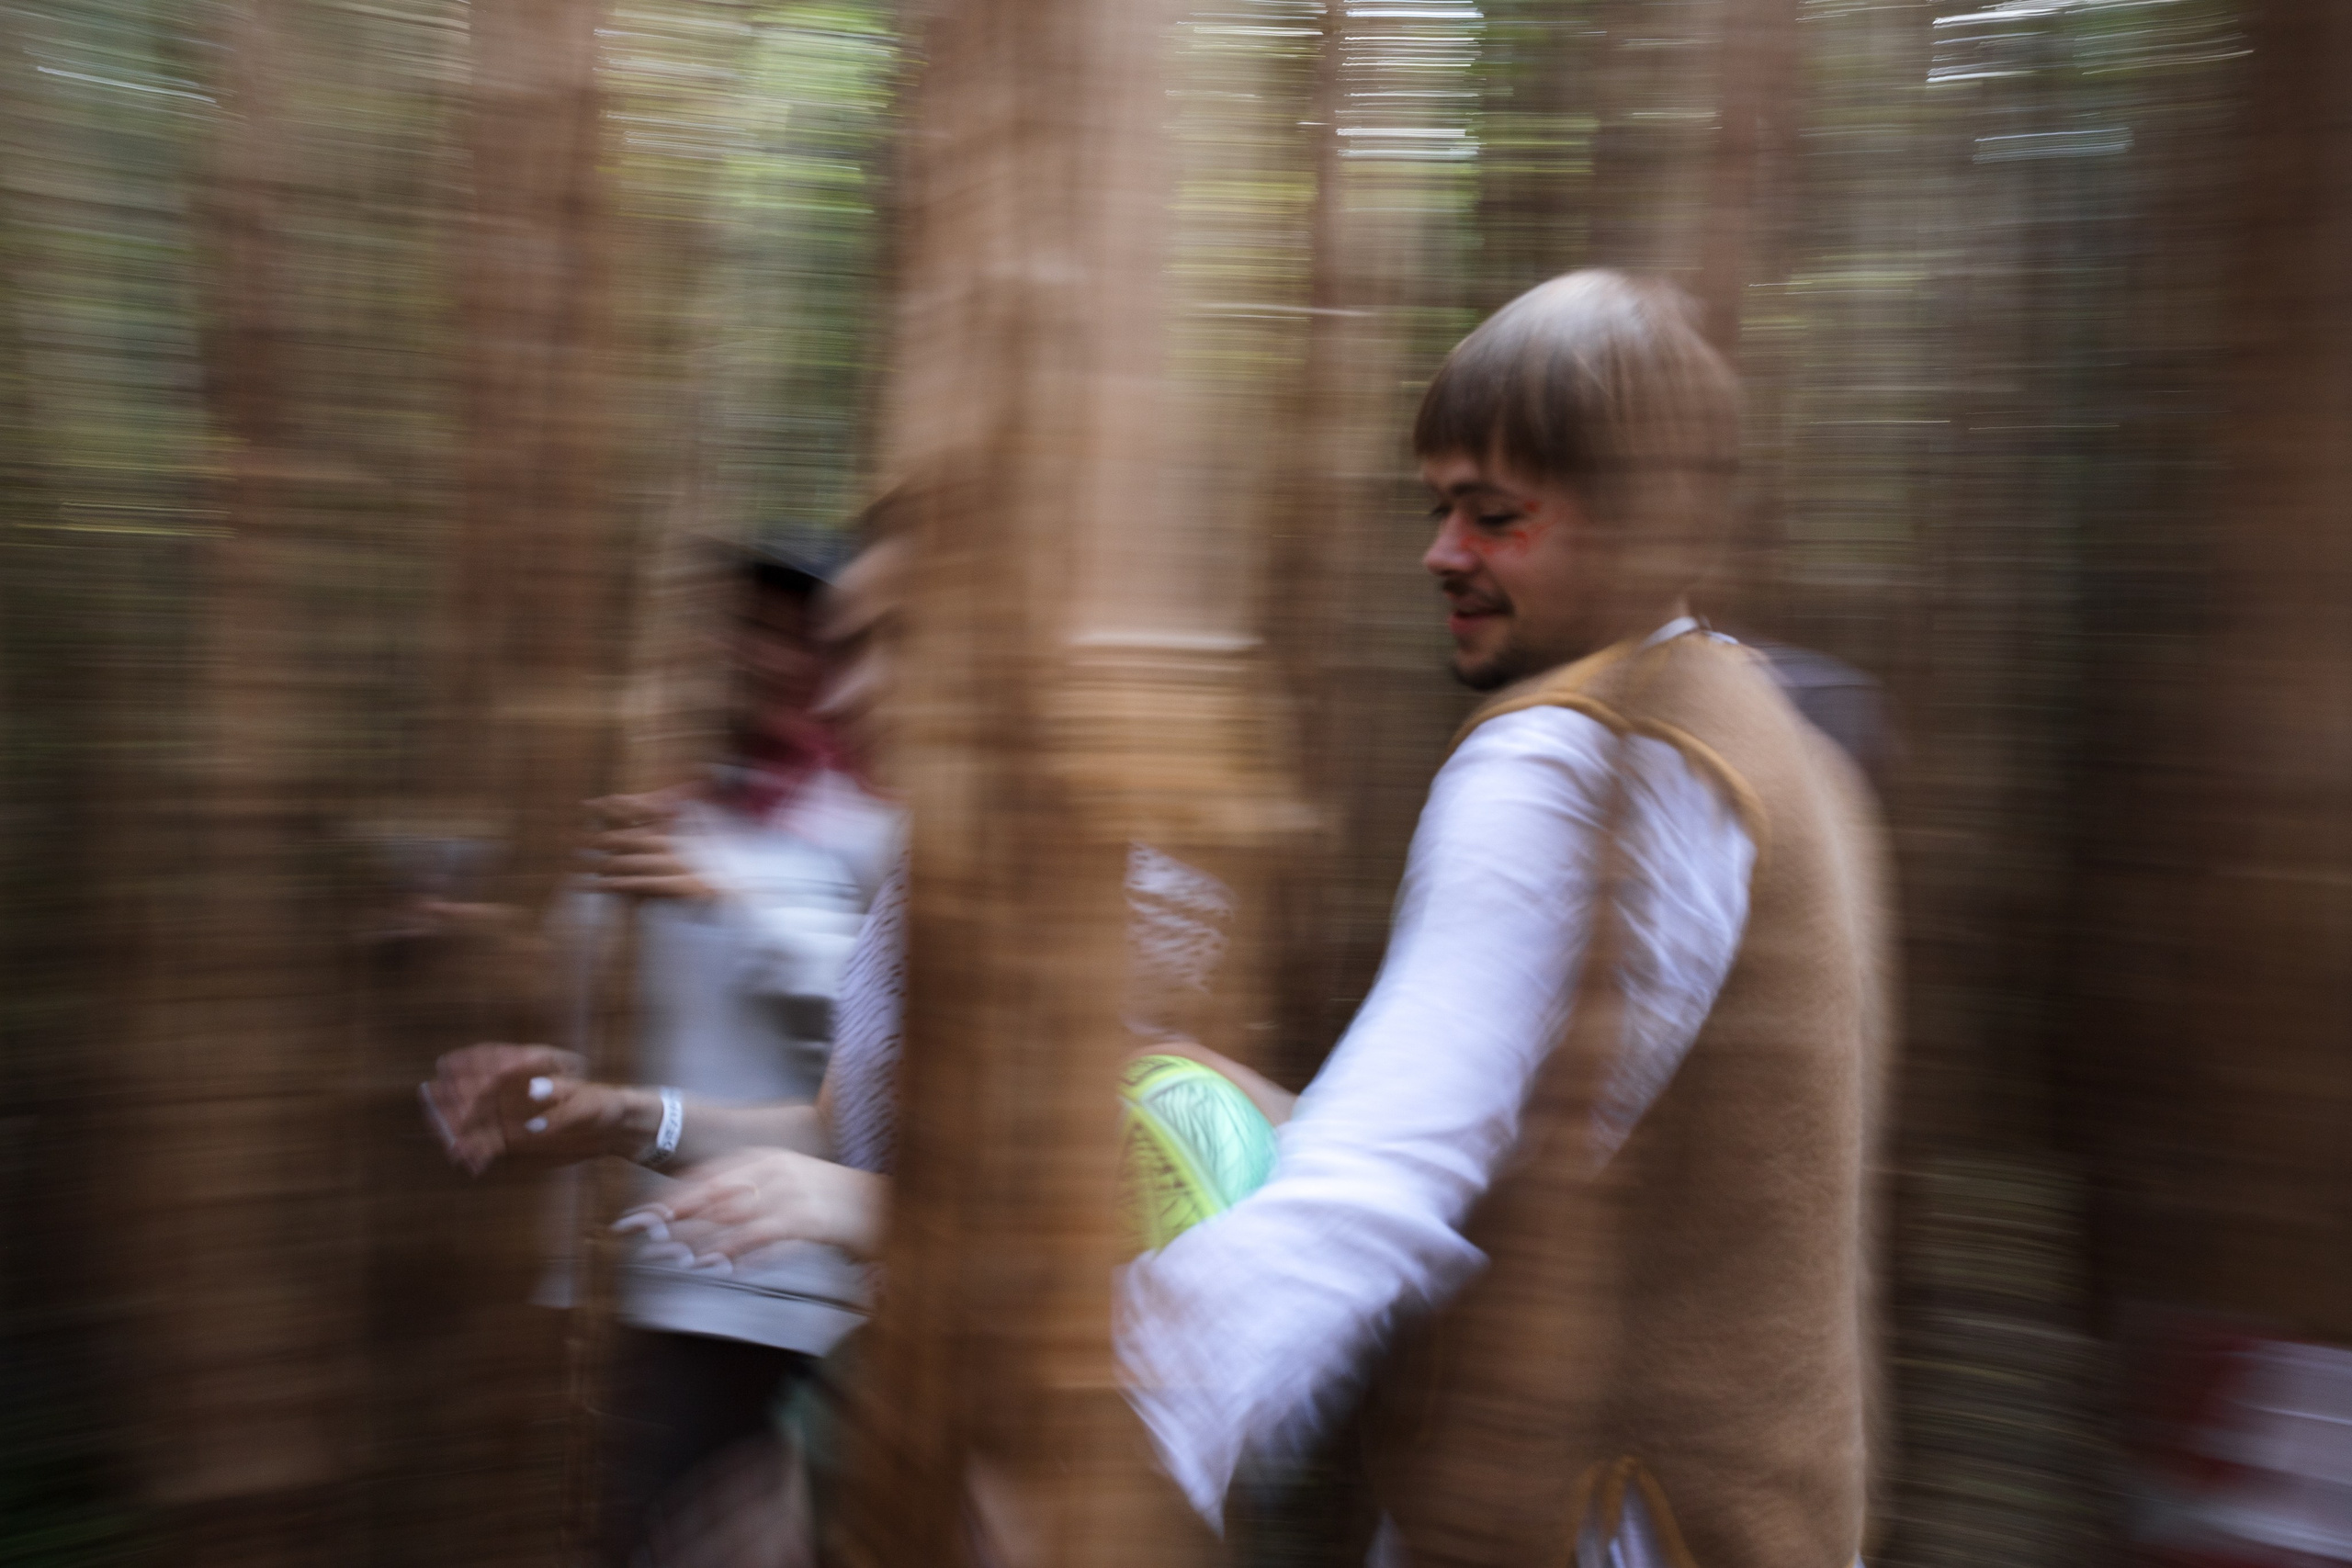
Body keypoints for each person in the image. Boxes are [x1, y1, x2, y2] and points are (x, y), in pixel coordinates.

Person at [423, 544, 898, 1568]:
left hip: (771, 1298)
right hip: (625, 1277)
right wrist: (535, 1043)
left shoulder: (864, 831)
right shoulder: (662, 810)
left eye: (791, 632)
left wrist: (725, 897)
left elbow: (867, 1056)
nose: (757, 653)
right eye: (739, 626)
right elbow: (579, 979)